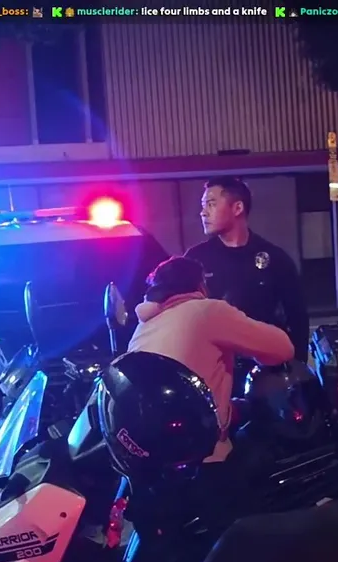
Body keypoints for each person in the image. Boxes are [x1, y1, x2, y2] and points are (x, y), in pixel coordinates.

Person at [127, 256, 296, 464]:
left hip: (154, 453)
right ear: (201, 284)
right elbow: (283, 348)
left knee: (241, 409)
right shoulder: (207, 310)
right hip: (203, 455)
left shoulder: (143, 327)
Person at [185, 176, 311, 362]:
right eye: (203, 206)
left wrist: (297, 366)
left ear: (237, 208)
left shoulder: (275, 258)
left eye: (211, 204)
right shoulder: (195, 258)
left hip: (265, 367)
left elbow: (297, 317)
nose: (203, 213)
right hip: (214, 365)